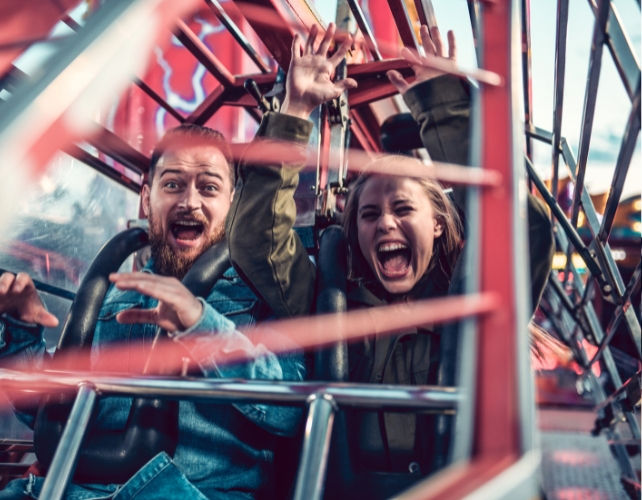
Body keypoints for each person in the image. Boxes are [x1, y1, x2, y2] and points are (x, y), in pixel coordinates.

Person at [226, 23, 554, 491]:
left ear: (438, 223)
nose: (384, 224)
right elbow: (257, 241)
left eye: (403, 209)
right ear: (354, 232)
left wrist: (440, 103)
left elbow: (526, 227)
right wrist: (295, 112)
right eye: (369, 215)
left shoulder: (479, 302)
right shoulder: (329, 302)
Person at [0, 124, 306, 499]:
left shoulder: (259, 298)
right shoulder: (109, 297)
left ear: (231, 205)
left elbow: (288, 412)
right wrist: (20, 331)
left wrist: (200, 326)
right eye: (173, 185)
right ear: (146, 199)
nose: (189, 202)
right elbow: (46, 418)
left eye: (208, 187)